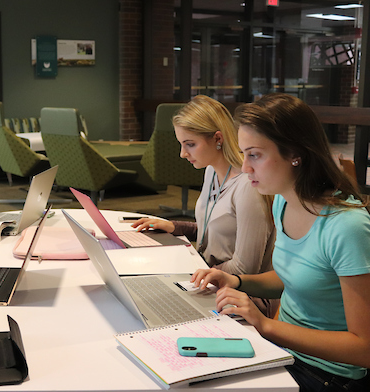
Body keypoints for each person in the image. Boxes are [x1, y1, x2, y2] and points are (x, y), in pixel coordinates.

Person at [191, 93, 370, 391]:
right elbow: (294, 278)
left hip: (327, 375)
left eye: (255, 155)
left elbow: (362, 348)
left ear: (295, 154)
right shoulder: (282, 202)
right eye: (243, 153)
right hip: (281, 351)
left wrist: (266, 325)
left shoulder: (346, 227)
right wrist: (235, 281)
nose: (245, 167)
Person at [132, 95, 275, 280]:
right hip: (209, 276)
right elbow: (217, 231)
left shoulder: (248, 186)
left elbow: (245, 268)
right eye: (181, 145)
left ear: (217, 138)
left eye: (190, 144)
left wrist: (192, 272)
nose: (183, 154)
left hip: (240, 294)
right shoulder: (211, 171)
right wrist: (175, 226)